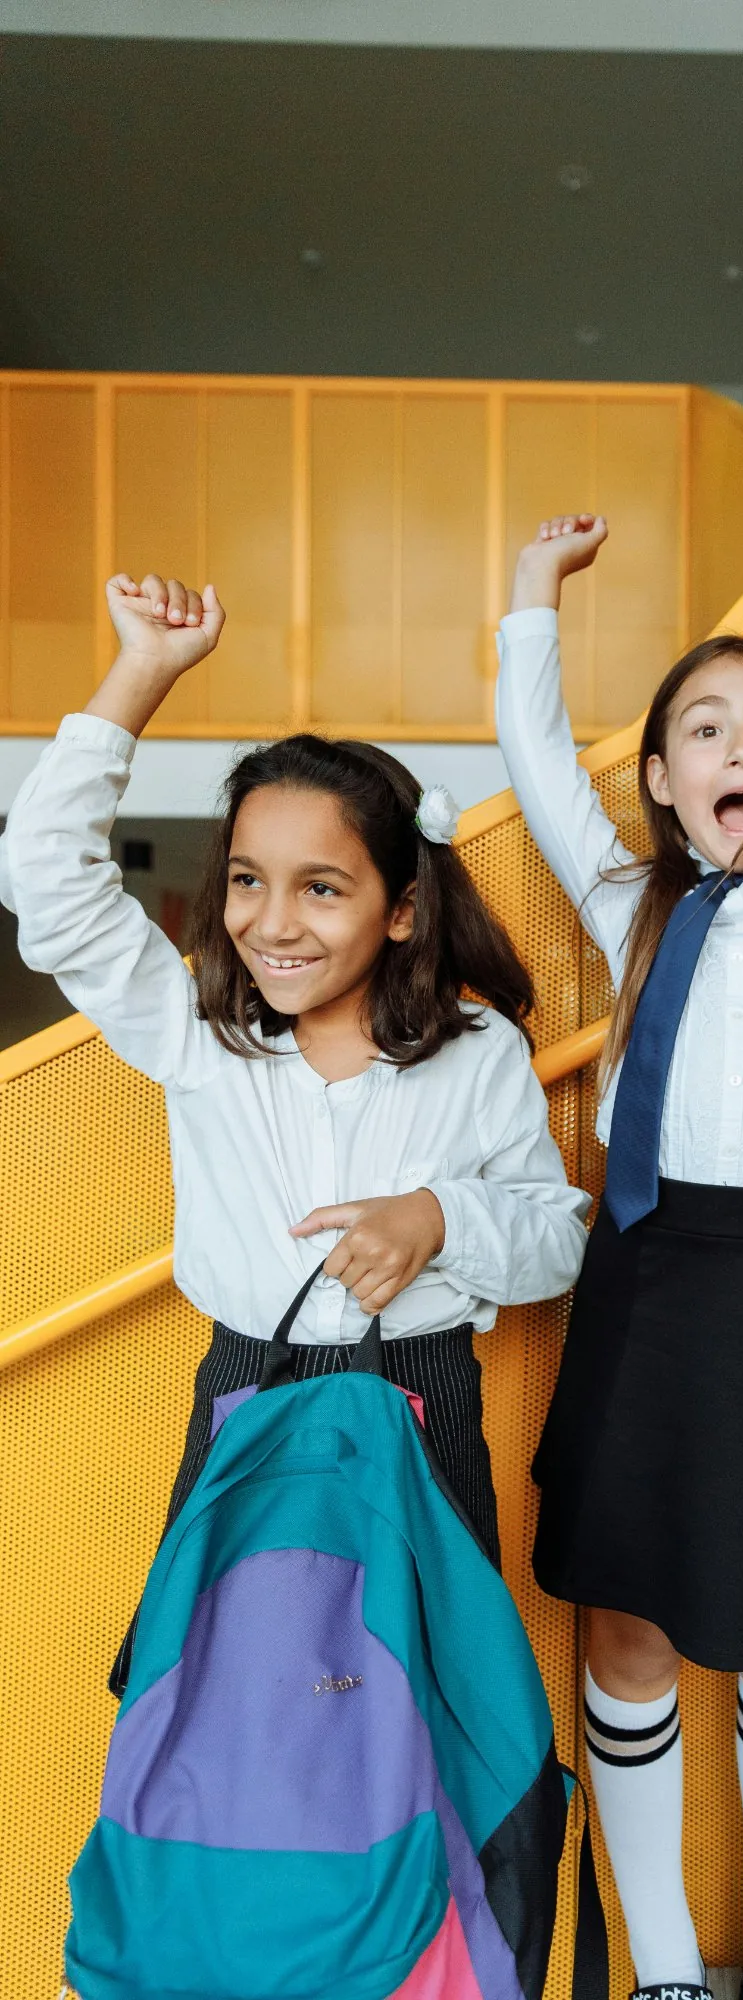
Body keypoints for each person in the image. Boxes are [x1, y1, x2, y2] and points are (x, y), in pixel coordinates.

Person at [0, 567, 590, 1693]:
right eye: (246, 881)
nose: (272, 922)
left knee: (421, 1706)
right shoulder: (197, 1035)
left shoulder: (476, 1052)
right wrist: (142, 671)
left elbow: (557, 1239)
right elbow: (45, 875)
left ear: (401, 907)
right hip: (246, 1394)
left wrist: (440, 1218)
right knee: (221, 1698)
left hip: (423, 1403)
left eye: (322, 888)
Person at [492, 408, 743, 2000]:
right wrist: (535, 597)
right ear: (660, 780)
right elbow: (536, 762)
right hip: (643, 1289)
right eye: (705, 730)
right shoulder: (628, 904)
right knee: (627, 1635)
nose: (741, 749)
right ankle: (663, 1960)